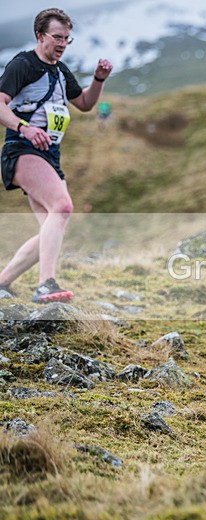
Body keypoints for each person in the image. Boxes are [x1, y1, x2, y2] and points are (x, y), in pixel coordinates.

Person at [0, 8, 113, 303]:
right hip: (22, 148)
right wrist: (23, 128)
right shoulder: (22, 65)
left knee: (52, 228)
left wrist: (99, 79)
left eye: (67, 39)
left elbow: (85, 103)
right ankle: (45, 284)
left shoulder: (61, 71)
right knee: (62, 207)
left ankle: (2, 282)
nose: (62, 44)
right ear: (40, 36)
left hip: (50, 154)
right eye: (57, 37)